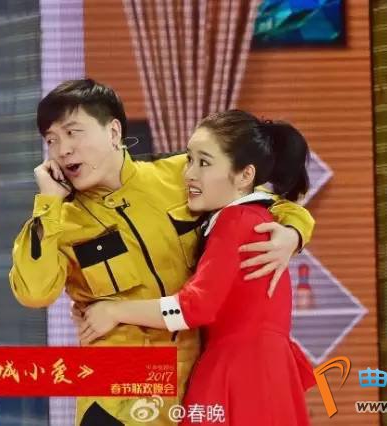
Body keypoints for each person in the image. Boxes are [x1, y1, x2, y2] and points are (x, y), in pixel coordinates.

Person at [9, 79, 315, 426]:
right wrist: (48, 205)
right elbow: (34, 293)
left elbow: (266, 202)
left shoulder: (181, 175)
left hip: (196, 384)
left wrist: (293, 234)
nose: (62, 150)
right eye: (51, 140)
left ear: (113, 132)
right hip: (119, 396)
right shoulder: (60, 221)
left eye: (72, 132)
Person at [79, 110, 316, 425]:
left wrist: (114, 311)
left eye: (204, 163)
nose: (189, 173)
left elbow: (194, 308)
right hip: (258, 371)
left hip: (241, 373)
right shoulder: (250, 217)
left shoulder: (235, 221)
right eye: (189, 159)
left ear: (245, 176)